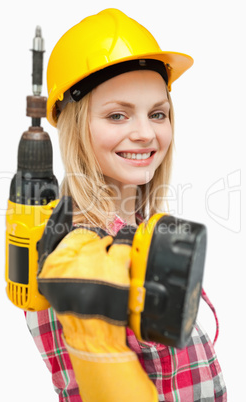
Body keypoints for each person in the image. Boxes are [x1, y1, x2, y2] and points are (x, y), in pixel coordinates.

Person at [25, 8, 227, 401]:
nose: (145, 133)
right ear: (74, 124)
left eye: (158, 114)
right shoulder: (69, 256)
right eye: (117, 115)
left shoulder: (141, 232)